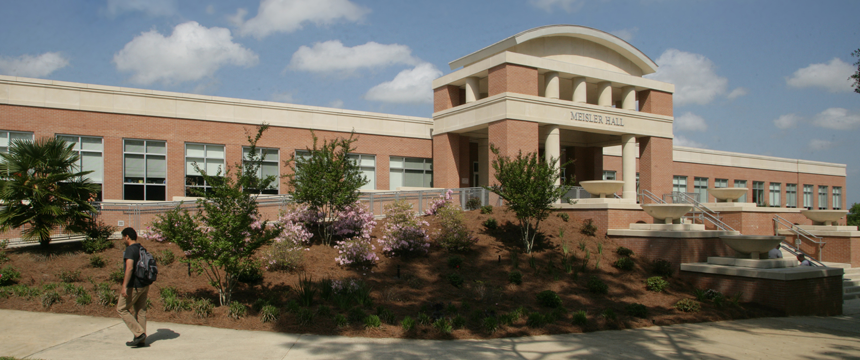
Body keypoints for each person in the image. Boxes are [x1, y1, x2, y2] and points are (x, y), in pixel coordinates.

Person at [117, 227, 148, 347]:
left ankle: (139, 334)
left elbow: (129, 268)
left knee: (121, 308)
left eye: (123, 238)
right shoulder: (142, 248)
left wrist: (124, 286)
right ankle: (141, 339)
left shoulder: (130, 249)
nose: (123, 240)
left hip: (134, 285)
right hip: (144, 284)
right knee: (141, 311)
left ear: (127, 237)